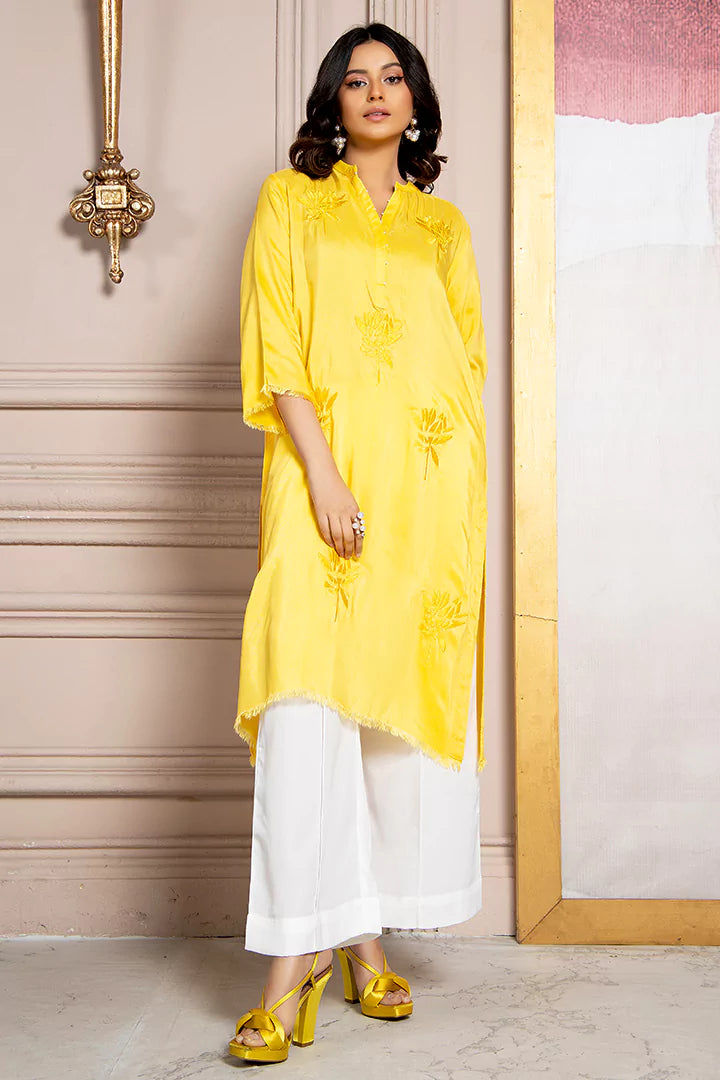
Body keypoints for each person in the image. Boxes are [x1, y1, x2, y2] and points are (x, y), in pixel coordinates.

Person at [228, 21, 489, 1065]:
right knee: (306, 712)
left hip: (424, 500)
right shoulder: (290, 202)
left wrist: (444, 498)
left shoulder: (444, 228)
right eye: (354, 79)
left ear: (414, 101)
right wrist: (325, 475)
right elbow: (277, 346)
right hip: (317, 483)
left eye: (391, 78)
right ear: (332, 102)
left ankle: (363, 942)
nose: (374, 91)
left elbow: (465, 368)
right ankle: (287, 970)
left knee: (379, 721)